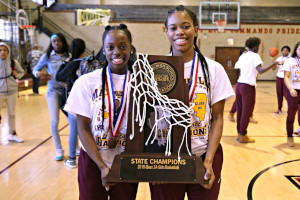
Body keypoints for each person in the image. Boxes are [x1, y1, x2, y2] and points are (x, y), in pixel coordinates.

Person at [149, 5, 235, 200]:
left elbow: (218, 118)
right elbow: (149, 120)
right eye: (173, 28)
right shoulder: (155, 70)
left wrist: (209, 160)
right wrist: (153, 162)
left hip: (204, 154)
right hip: (166, 158)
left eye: (186, 26)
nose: (180, 32)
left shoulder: (214, 69)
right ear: (167, 32)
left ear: (196, 29)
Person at [64, 24, 138, 199]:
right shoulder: (86, 82)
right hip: (92, 159)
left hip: (126, 161)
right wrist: (102, 166)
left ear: (130, 48)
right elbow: (82, 128)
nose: (116, 52)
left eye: (122, 46)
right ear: (103, 50)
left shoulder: (141, 82)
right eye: (110, 47)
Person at [33, 33, 69, 160]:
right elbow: (35, 70)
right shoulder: (47, 56)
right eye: (54, 41)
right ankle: (59, 149)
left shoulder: (68, 56)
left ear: (63, 42)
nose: (56, 43)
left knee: (72, 120)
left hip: (66, 91)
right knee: (54, 121)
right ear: (51, 43)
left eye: (59, 41)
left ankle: (75, 148)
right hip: (53, 90)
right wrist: (39, 74)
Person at [235, 37, 277, 143]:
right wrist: (273, 64)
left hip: (239, 84)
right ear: (255, 46)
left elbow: (239, 71)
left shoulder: (243, 56)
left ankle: (239, 133)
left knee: (240, 110)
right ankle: (243, 134)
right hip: (248, 86)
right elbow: (260, 71)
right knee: (247, 111)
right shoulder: (255, 56)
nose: (258, 48)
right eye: (258, 46)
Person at [55, 38, 86, 168]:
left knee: (74, 129)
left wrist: (65, 63)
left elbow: (58, 76)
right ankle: (80, 151)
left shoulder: (73, 63)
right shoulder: (87, 62)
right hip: (86, 100)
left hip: (73, 100)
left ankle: (72, 158)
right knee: (82, 128)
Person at [0, 42, 25, 143]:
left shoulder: (13, 62)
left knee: (11, 114)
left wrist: (17, 75)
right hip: (0, 92)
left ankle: (12, 134)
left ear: (8, 51)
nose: (2, 52)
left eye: (5, 50)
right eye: (0, 50)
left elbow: (21, 72)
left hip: (12, 91)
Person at [228, 48, 258, 124]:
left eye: (247, 52)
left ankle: (250, 116)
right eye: (244, 52)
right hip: (243, 83)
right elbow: (237, 71)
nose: (246, 53)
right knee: (240, 102)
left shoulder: (253, 59)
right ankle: (231, 113)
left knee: (251, 102)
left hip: (251, 83)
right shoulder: (241, 61)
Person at [283, 42, 300, 147]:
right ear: (296, 50)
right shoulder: (290, 61)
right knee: (291, 115)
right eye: (299, 49)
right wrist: (290, 88)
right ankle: (289, 136)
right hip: (294, 91)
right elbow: (285, 77)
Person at [273, 46, 290, 115]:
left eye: (286, 50)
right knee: (279, 93)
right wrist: (273, 60)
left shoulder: (290, 59)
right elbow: (273, 68)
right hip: (279, 77)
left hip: (286, 78)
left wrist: (284, 63)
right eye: (283, 50)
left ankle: (290, 108)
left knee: (286, 94)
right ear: (281, 51)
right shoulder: (279, 58)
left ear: (288, 52)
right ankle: (279, 108)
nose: (285, 51)